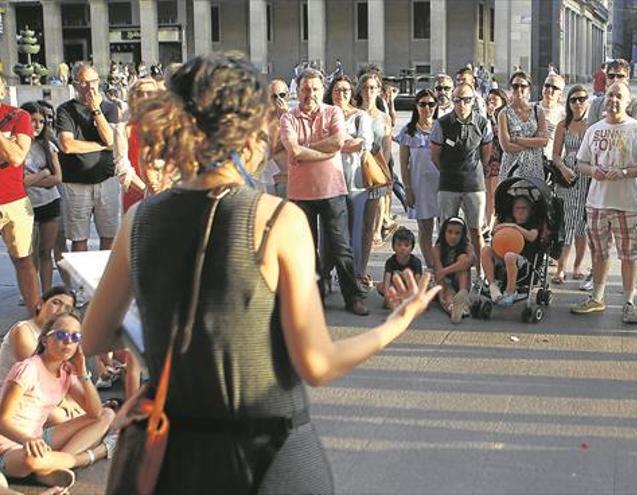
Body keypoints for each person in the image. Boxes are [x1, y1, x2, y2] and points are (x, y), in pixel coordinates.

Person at [80, 54, 439, 493]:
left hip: (177, 456)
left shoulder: (141, 219)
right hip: (266, 455)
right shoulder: (273, 219)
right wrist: (395, 324)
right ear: (250, 129)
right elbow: (317, 363)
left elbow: (95, 337)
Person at [281, 68, 370, 315]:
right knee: (307, 250)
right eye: (305, 89)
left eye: (315, 89)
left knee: (341, 248)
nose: (310, 93)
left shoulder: (333, 113)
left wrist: (306, 148)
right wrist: (323, 151)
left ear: (323, 91)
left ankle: (352, 298)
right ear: (297, 91)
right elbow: (293, 152)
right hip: (300, 195)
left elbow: (338, 142)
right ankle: (315, 298)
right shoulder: (288, 118)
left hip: (332, 190)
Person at [570, 81, 637, 324]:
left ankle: (628, 302)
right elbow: (581, 163)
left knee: (629, 256)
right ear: (604, 98)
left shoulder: (636, 128)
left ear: (627, 101)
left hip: (627, 204)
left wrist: (626, 173)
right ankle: (597, 297)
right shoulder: (594, 129)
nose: (614, 100)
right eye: (610, 95)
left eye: (619, 96)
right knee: (599, 253)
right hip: (597, 203)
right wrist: (593, 170)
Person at [0, 312, 115, 488]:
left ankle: (50, 466)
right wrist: (26, 440)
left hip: (38, 439)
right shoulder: (27, 370)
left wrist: (82, 372)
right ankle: (85, 458)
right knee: (32, 460)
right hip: (10, 446)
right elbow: (2, 420)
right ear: (45, 340)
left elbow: (95, 412)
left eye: (76, 337)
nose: (69, 341)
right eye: (62, 334)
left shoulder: (65, 372)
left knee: (107, 415)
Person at [430, 82, 493, 276]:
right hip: (448, 184)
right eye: (457, 100)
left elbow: (486, 155)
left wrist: (472, 170)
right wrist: (449, 170)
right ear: (452, 100)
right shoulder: (442, 124)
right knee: (445, 231)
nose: (462, 104)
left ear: (473, 101)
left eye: (467, 100)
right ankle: (443, 273)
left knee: (476, 231)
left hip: (474, 184)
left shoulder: (483, 123)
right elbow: (435, 156)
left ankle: (481, 273)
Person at [56, 62, 119, 254]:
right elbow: (67, 145)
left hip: (106, 179)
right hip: (75, 182)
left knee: (109, 236)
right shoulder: (65, 110)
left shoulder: (109, 108)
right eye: (84, 82)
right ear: (75, 84)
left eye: (93, 81)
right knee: (78, 238)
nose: (90, 87)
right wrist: (99, 146)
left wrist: (96, 110)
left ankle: (103, 281)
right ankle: (80, 284)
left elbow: (110, 139)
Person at [325, 76, 374, 286]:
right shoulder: (324, 114)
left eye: (345, 90)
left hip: (355, 181)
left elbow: (364, 143)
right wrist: (346, 143)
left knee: (355, 229)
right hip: (328, 181)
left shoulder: (360, 116)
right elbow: (316, 142)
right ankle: (325, 274)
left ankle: (351, 276)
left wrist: (334, 143)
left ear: (351, 93)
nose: (341, 94)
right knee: (328, 230)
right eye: (337, 89)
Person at [0, 76, 38, 315]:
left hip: (14, 201)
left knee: (24, 261)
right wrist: (7, 142)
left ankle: (37, 322)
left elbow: (16, 157)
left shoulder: (18, 116)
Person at [551, 84, 591, 284]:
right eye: (573, 99)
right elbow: (556, 155)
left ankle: (577, 266)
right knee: (566, 222)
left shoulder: (592, 125)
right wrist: (563, 169)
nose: (577, 103)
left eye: (582, 99)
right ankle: (560, 267)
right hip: (567, 180)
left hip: (585, 180)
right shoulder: (563, 125)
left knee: (581, 225)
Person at [21, 102, 62, 294]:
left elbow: (57, 178)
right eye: (33, 120)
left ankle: (46, 293)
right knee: (28, 254)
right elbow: (18, 182)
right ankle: (32, 294)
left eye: (41, 121)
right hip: (24, 206)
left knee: (46, 252)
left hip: (49, 203)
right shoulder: (16, 145)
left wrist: (31, 180)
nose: (37, 125)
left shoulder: (49, 145)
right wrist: (42, 173)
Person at [355, 72, 395, 254]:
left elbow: (387, 146)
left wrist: (384, 169)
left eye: (372, 88)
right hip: (357, 164)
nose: (369, 91)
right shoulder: (354, 113)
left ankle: (377, 230)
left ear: (378, 91)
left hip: (376, 163)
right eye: (365, 88)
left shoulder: (383, 117)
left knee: (378, 199)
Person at [398, 89, 439, 268]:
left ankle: (443, 265)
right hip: (419, 185)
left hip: (442, 184)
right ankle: (431, 267)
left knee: (445, 228)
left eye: (431, 104)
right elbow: (404, 164)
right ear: (416, 106)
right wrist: (407, 188)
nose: (427, 108)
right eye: (422, 104)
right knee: (425, 228)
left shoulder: (442, 127)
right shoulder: (408, 131)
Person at [481, 196, 539, 306]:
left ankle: (510, 291)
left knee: (509, 256)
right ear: (513, 211)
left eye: (524, 208)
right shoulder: (505, 220)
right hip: (501, 255)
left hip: (524, 261)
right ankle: (493, 287)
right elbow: (493, 232)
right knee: (485, 250)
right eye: (517, 208)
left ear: (530, 210)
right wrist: (499, 223)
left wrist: (514, 226)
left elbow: (532, 236)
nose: (520, 211)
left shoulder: (533, 222)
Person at [117, 77, 157, 213]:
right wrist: (148, 192)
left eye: (150, 93)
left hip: (166, 194)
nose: (145, 97)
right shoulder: (123, 128)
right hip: (135, 194)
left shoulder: (167, 126)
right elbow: (123, 169)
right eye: (140, 93)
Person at [498, 71, 548, 180]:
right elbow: (506, 146)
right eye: (515, 86)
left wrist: (516, 139)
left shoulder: (538, 111)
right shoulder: (504, 113)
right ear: (511, 88)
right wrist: (533, 143)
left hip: (534, 169)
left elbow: (543, 141)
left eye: (523, 86)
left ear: (529, 88)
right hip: (511, 169)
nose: (519, 89)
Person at [432, 216, 474, 323]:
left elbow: (469, 262)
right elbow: (439, 275)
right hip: (445, 283)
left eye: (457, 233)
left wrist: (444, 271)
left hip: (461, 282)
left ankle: (462, 296)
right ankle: (454, 309)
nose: (453, 236)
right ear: (444, 233)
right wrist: (441, 296)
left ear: (462, 235)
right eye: (449, 232)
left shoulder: (467, 247)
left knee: (463, 259)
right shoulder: (437, 248)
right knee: (448, 295)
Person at [585, 59, 637, 126]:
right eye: (611, 76)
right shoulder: (596, 104)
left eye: (620, 76)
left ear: (627, 78)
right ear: (606, 78)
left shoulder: (636, 104)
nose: (615, 79)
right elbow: (591, 130)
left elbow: (636, 129)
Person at [378, 228, 423, 309]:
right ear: (393, 247)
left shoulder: (416, 262)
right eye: (399, 245)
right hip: (395, 288)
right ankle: (397, 300)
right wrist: (386, 297)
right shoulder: (390, 261)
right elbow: (387, 280)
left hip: (410, 288)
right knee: (380, 286)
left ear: (412, 247)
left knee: (426, 288)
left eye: (406, 245)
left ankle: (408, 301)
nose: (402, 248)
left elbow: (418, 282)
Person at [484, 88, 508, 227]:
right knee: (487, 195)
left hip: (500, 160)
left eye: (494, 99)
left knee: (495, 194)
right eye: (489, 100)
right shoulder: (485, 117)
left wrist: (493, 117)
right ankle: (487, 223)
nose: (491, 102)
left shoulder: (504, 116)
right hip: (488, 159)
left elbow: (501, 136)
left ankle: (495, 223)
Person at [538, 73, 567, 164]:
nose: (549, 90)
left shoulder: (564, 115)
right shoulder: (531, 108)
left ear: (560, 94)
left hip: (552, 163)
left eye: (554, 88)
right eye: (547, 85)